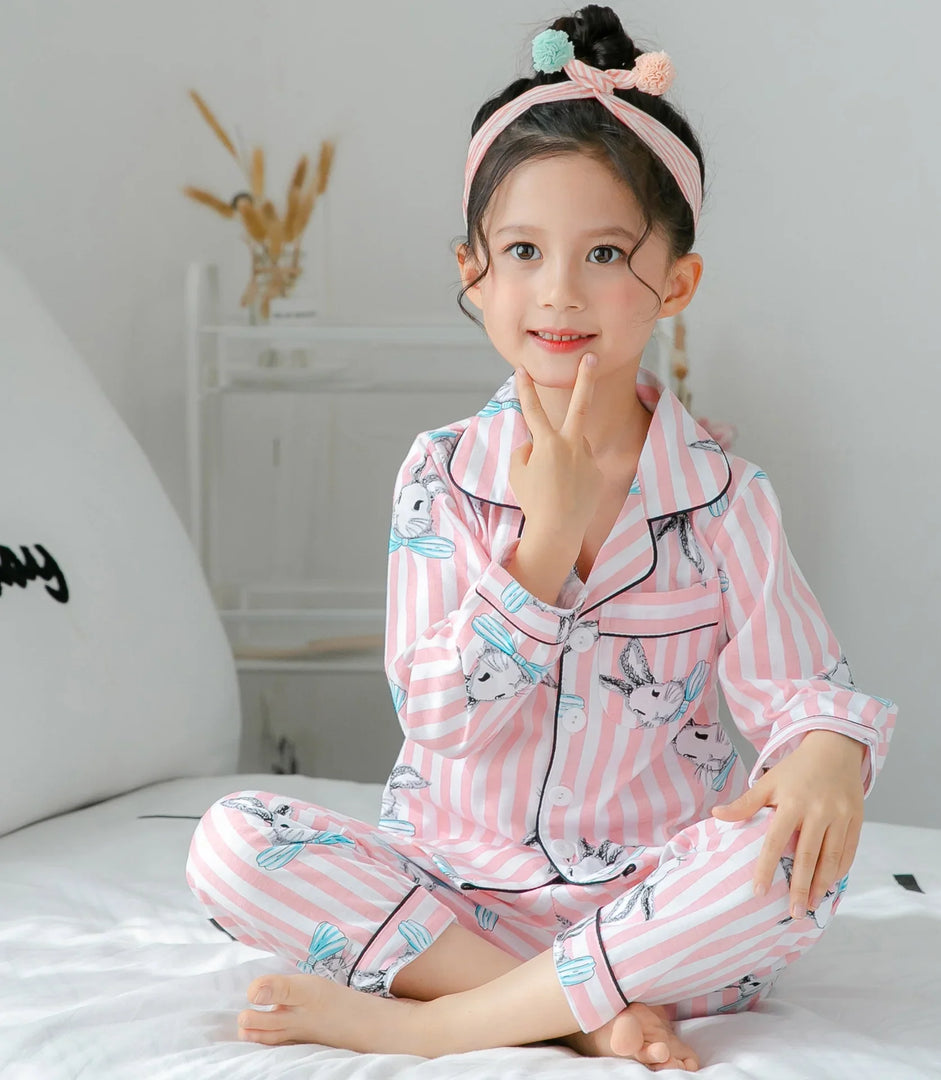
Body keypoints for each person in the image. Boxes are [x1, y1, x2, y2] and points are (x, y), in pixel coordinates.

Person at [186, 6, 898, 1070]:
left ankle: (435, 1023)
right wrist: (546, 541)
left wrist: (830, 754)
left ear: (677, 283)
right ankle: (579, 1013)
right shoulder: (442, 476)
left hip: (650, 908)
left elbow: (798, 690)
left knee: (801, 866)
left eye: (606, 252)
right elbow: (435, 713)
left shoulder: (724, 500)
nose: (559, 290)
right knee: (231, 846)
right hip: (452, 897)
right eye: (522, 250)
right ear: (473, 273)